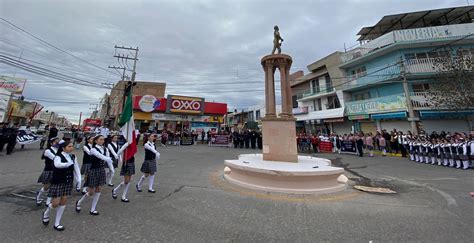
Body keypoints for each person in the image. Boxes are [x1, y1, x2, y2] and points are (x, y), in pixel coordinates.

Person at [41, 141, 81, 231]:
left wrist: (79, 180)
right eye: (69, 146)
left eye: (72, 146)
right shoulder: (57, 157)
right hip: (58, 181)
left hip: (68, 181)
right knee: (55, 203)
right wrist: (68, 163)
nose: (71, 148)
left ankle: (57, 223)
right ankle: (46, 213)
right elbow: (57, 165)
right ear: (63, 148)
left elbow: (76, 168)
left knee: (63, 201)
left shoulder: (73, 156)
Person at [76, 135, 113, 216]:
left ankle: (93, 209)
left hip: (101, 170)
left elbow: (108, 158)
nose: (102, 141)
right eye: (100, 139)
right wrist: (108, 159)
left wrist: (111, 168)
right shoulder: (93, 149)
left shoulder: (105, 149)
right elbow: (101, 156)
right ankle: (79, 202)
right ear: (96, 141)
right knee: (91, 192)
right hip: (93, 171)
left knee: (99, 189)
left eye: (103, 140)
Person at [36, 137, 60, 206]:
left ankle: (48, 201)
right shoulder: (47, 151)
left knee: (53, 186)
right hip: (49, 170)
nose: (57, 143)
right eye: (55, 142)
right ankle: (38, 197)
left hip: (56, 170)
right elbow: (55, 158)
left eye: (58, 142)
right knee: (46, 187)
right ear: (51, 143)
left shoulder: (58, 150)